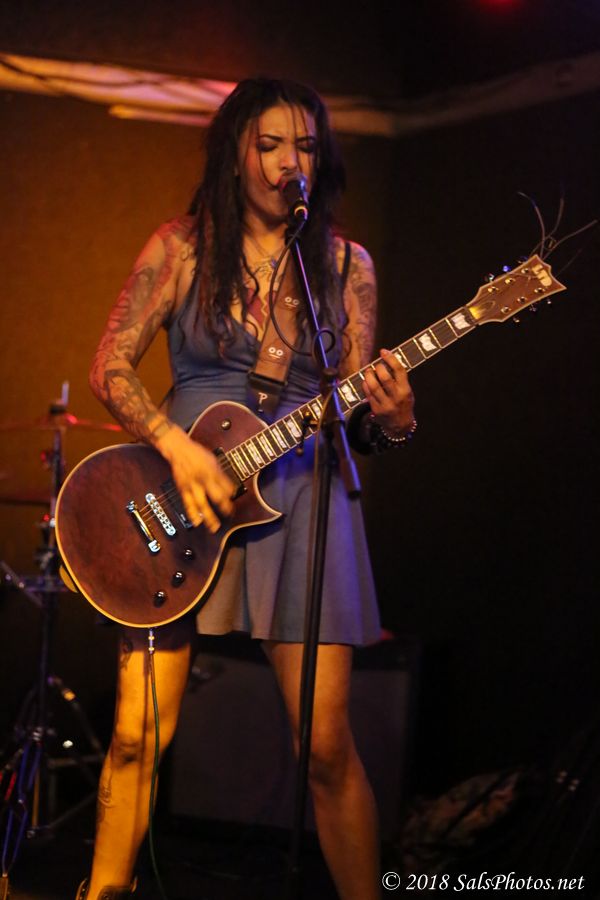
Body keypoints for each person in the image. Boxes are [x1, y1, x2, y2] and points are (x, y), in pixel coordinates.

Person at [78, 77, 415, 900]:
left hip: (302, 497)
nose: (287, 162)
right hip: (182, 493)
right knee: (135, 736)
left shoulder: (345, 266)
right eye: (268, 144)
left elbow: (356, 418)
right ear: (235, 154)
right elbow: (109, 365)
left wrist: (396, 419)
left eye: (304, 146)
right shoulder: (181, 246)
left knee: (326, 750)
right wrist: (172, 445)